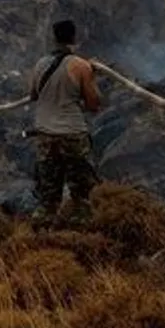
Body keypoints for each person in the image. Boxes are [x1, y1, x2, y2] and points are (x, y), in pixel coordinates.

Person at [27, 19, 102, 220]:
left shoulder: (40, 65)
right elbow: (94, 104)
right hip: (72, 135)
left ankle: (40, 235)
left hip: (45, 136)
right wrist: (91, 76)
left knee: (47, 196)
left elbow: (33, 95)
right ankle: (80, 235)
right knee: (82, 193)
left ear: (54, 38)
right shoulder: (80, 66)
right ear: (74, 38)